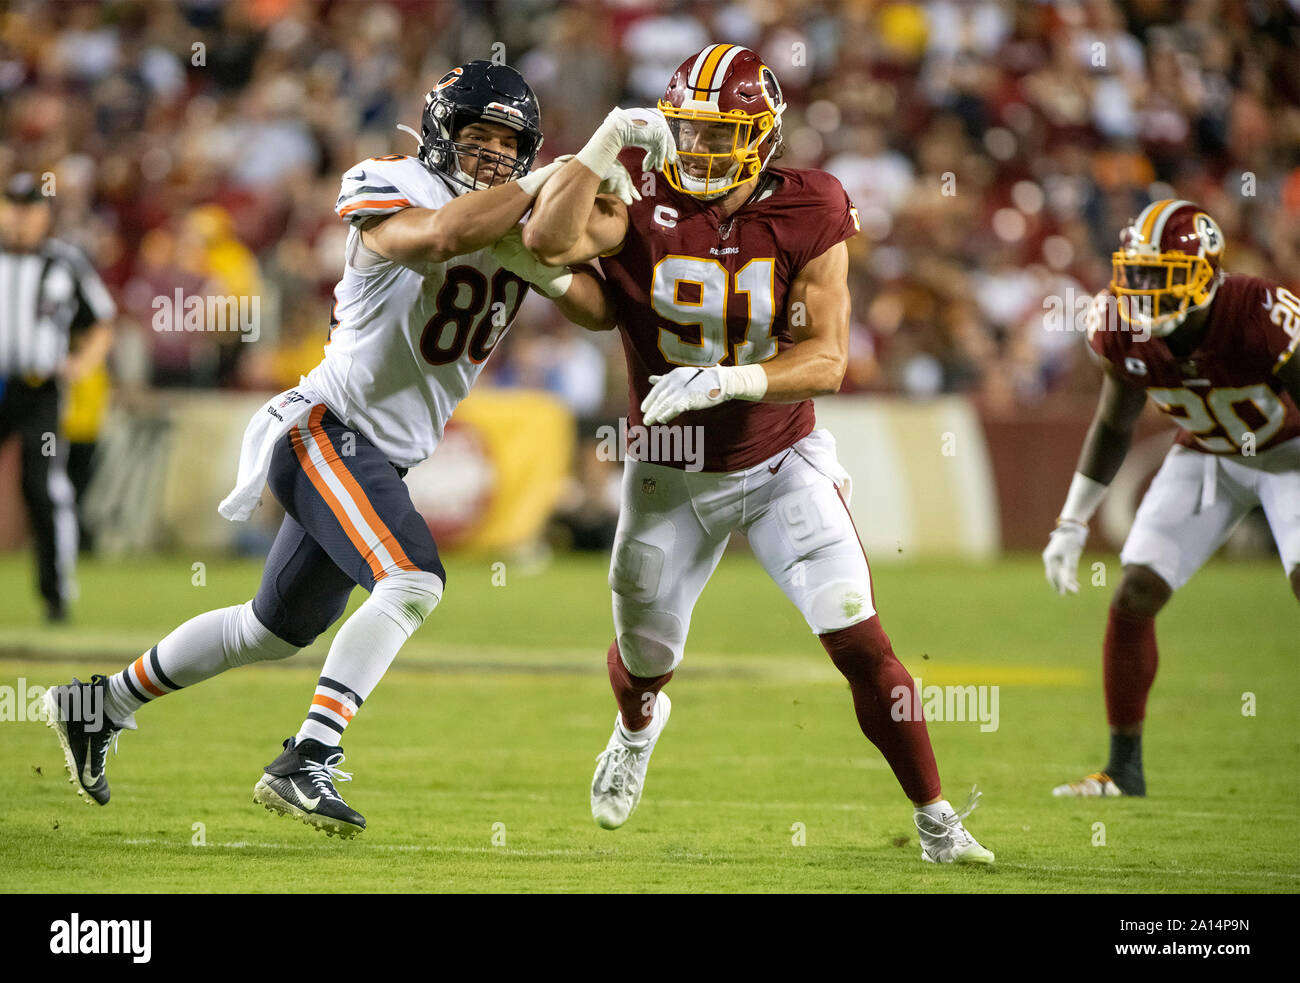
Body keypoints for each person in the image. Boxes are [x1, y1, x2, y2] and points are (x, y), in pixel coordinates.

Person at [43, 60, 631, 837]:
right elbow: (442, 237)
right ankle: (308, 755)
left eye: (508, 142)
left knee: (269, 628)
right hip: (325, 424)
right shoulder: (388, 182)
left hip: (378, 452)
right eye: (477, 135)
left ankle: (99, 704)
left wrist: (571, 214)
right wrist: (559, 178)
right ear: (438, 135)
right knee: (412, 579)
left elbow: (597, 309)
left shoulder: (521, 217)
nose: (492, 154)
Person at [524, 44, 994, 863]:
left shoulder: (813, 205)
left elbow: (829, 360)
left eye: (718, 134)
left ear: (762, 135)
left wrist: (724, 382)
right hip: (669, 470)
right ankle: (636, 728)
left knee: (856, 633)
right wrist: (602, 143)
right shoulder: (640, 194)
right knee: (644, 658)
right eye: (686, 132)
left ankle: (936, 817)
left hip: (782, 461)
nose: (698, 151)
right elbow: (547, 239)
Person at [1043, 199, 1300, 797]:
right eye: (1135, 273)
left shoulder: (1259, 313)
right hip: (1210, 454)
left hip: (1291, 453)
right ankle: (1122, 769)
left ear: (1203, 274)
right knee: (1135, 591)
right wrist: (1072, 523)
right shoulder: (1119, 327)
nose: (1140, 288)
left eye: (1159, 275)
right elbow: (1113, 424)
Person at [0, 172, 115, 622]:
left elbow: (102, 320)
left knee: (43, 485)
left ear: (44, 214)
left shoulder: (64, 262)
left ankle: (56, 593)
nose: (22, 217)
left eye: (31, 208)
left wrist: (82, 364)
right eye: (14, 206)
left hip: (38, 388)